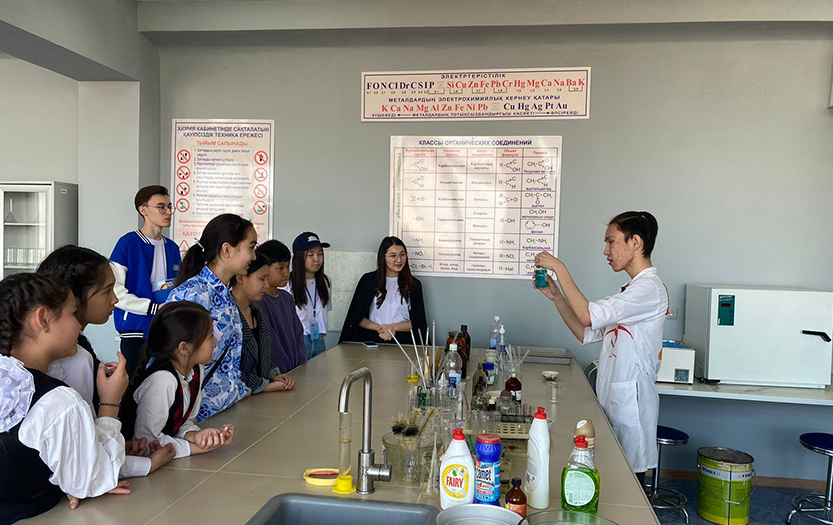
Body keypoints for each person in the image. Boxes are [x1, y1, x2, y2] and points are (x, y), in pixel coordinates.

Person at [0, 273, 173, 523]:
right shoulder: (58, 402)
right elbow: (93, 480)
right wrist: (110, 402)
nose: (79, 325)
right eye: (72, 313)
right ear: (43, 319)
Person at [534, 211, 668, 483]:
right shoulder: (630, 290)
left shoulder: (649, 289)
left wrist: (560, 269)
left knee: (629, 484)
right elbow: (586, 331)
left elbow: (587, 315)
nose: (606, 251)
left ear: (635, 242)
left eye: (611, 241)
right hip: (615, 401)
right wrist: (557, 297)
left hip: (631, 406)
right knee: (612, 479)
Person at [166, 214, 257, 421]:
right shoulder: (192, 295)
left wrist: (239, 390)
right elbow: (174, 361)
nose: (253, 257)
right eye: (251, 248)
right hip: (192, 418)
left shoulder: (225, 295)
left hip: (223, 409)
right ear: (227, 249)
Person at [125, 301, 236, 458]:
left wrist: (196, 436)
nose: (215, 342)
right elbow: (146, 441)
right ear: (184, 348)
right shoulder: (163, 380)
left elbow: (183, 423)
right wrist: (196, 448)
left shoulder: (196, 370)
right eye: (210, 336)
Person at [110, 186, 182, 378]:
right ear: (143, 210)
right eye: (161, 207)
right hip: (135, 329)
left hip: (165, 329)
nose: (168, 212)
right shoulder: (128, 243)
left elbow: (175, 285)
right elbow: (114, 291)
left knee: (164, 381)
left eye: (169, 207)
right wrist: (151, 308)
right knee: (134, 383)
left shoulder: (172, 248)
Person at [37, 245, 120, 410]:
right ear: (73, 297)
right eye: (107, 291)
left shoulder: (76, 348)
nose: (115, 299)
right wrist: (110, 401)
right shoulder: (75, 358)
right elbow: (84, 425)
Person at [340, 236, 427, 344]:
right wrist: (380, 329)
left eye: (402, 255)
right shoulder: (368, 281)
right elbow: (356, 317)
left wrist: (393, 327)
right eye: (393, 256)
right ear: (383, 257)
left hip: (404, 341)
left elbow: (418, 322)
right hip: (373, 338)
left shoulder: (414, 284)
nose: (399, 260)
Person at [231, 252, 296, 394]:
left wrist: (274, 375)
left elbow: (266, 353)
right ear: (240, 278)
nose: (266, 285)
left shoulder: (257, 311)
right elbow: (228, 371)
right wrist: (264, 386)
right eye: (262, 279)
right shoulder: (226, 315)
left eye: (267, 279)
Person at [255, 240, 306, 373]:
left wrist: (300, 363)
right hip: (279, 374)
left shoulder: (287, 298)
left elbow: (298, 333)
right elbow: (272, 343)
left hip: (296, 369)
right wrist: (283, 371)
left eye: (288, 267)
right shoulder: (258, 302)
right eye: (280, 268)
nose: (286, 273)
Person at [289, 232, 332, 359]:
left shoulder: (325, 281)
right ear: (299, 257)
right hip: (298, 339)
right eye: (310, 255)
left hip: (319, 338)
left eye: (320, 254)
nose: (316, 259)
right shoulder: (288, 283)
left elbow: (326, 309)